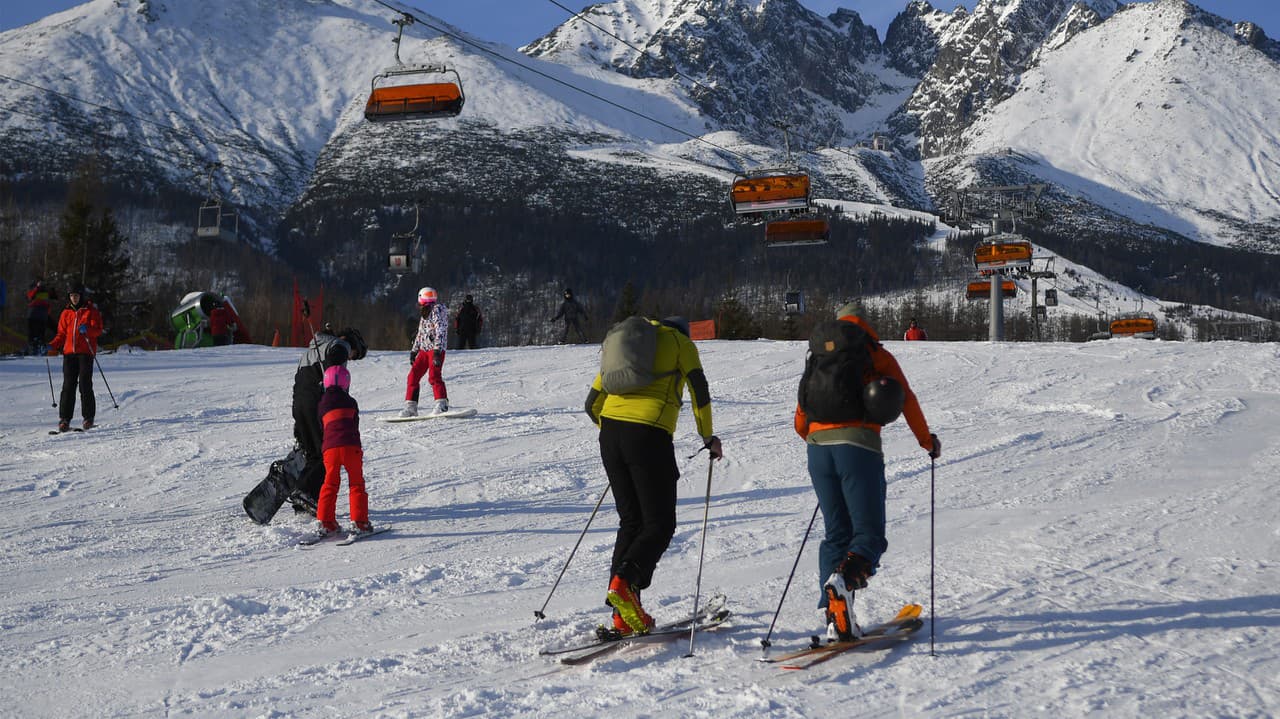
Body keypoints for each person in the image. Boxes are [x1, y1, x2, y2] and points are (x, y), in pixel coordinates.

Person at [793, 302, 940, 642]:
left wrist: (818, 437)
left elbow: (801, 413)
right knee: (869, 535)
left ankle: (835, 616)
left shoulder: (817, 355)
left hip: (817, 449)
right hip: (857, 446)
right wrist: (926, 441)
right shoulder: (875, 353)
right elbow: (906, 399)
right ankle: (843, 582)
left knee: (836, 534)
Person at [583, 316, 723, 635]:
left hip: (610, 437)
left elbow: (592, 404)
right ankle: (625, 583)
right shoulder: (681, 344)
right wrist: (707, 437)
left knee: (631, 523)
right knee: (660, 524)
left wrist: (615, 431)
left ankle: (622, 615)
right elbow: (699, 389)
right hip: (648, 435)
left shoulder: (630, 344)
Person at [291, 325, 367, 510]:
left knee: (311, 452)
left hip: (299, 403)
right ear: (352, 343)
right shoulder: (340, 346)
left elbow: (300, 380)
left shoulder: (311, 351)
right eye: (354, 354)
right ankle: (305, 493)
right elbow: (333, 376)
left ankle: (303, 498)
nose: (350, 357)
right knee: (325, 451)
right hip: (317, 404)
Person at [313, 365, 372, 536]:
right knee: (356, 483)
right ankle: (360, 522)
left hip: (330, 449)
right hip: (351, 447)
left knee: (330, 483)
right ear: (347, 384)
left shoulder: (322, 404)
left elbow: (321, 426)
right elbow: (355, 423)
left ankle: (325, 522)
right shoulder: (351, 402)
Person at [47, 284, 103, 432]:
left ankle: (88, 418)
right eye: (72, 296)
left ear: (81, 296)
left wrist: (88, 330)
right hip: (69, 353)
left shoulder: (91, 311)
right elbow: (61, 334)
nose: (74, 298)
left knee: (85, 384)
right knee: (68, 386)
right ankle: (64, 419)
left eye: (76, 295)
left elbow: (97, 330)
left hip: (85, 352)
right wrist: (52, 345)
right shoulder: (66, 313)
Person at [401, 286, 450, 416]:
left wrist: (437, 350)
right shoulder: (425, 313)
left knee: (434, 376)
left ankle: (442, 403)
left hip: (435, 350)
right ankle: (411, 407)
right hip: (424, 350)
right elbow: (420, 334)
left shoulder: (437, 311)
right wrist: (414, 351)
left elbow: (441, 330)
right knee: (413, 376)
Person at [26, 278, 52, 355]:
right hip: (34, 314)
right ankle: (33, 348)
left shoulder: (46, 292)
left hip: (39, 315)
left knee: (39, 334)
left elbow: (48, 303)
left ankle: (39, 348)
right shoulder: (34, 290)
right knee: (33, 334)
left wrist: (47, 314)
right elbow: (30, 297)